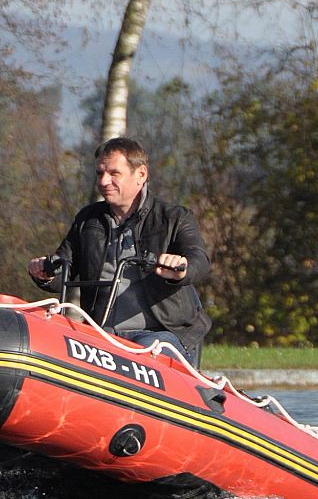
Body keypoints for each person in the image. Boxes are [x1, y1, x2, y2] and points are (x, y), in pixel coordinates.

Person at [28, 137, 211, 365]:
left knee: (140, 358)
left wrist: (182, 268)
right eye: (99, 173)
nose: (104, 181)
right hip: (103, 333)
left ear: (141, 174)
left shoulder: (174, 218)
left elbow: (199, 259)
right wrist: (45, 273)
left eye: (114, 173)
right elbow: (63, 266)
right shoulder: (87, 220)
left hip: (161, 333)